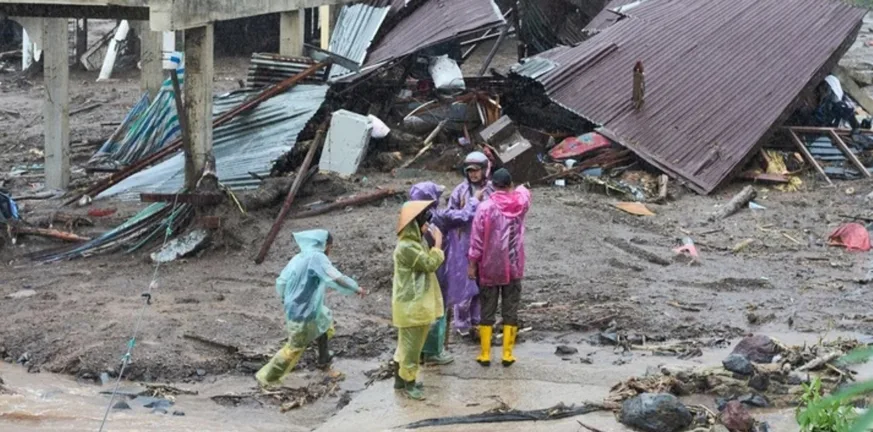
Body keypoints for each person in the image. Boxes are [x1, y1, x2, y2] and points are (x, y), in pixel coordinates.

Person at [256, 230, 365, 387]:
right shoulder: (317, 257)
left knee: (324, 327)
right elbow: (335, 277)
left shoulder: (299, 257)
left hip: (303, 307)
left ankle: (324, 362)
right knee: (294, 347)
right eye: (330, 247)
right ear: (326, 245)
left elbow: (281, 281)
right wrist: (356, 288)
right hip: (303, 312)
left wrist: (285, 299)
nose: (330, 251)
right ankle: (267, 378)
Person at [408, 181, 480, 366]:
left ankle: (422, 350)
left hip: (417, 271)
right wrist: (474, 200)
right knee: (438, 310)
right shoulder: (440, 218)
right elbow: (465, 216)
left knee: (423, 309)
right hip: (440, 267)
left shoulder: (410, 220)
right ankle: (434, 351)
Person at [468, 168, 531, 367]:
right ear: (510, 184)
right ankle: (507, 354)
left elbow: (476, 240)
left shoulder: (485, 207)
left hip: (490, 266)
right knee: (510, 308)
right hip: (514, 265)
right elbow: (525, 191)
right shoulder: (520, 203)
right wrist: (518, 188)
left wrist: (472, 264)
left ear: (493, 186)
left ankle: (485, 354)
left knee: (487, 308)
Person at [392, 200, 445, 400]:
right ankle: (410, 384)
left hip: (410, 305)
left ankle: (400, 380)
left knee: (404, 345)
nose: (427, 227)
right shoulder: (408, 248)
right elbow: (430, 264)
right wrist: (438, 244)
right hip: (412, 306)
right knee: (412, 348)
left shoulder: (412, 244)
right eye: (424, 223)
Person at [447, 151, 494, 340]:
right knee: (465, 285)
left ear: (485, 170)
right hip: (465, 242)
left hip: (487, 244)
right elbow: (451, 215)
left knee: (482, 285)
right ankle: (462, 323)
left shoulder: (492, 190)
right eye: (470, 171)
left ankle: (477, 320)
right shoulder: (460, 191)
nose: (473, 174)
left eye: (476, 170)